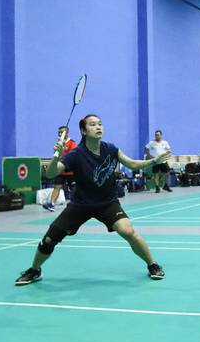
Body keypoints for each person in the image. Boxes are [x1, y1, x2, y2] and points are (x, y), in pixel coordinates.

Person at [15, 114, 167, 285]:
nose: (98, 127)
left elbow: (132, 164)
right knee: (50, 238)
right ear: (83, 130)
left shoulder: (110, 149)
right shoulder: (76, 154)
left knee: (128, 231)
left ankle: (152, 264)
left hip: (107, 202)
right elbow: (50, 173)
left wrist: (154, 161)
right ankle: (35, 270)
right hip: (81, 204)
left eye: (100, 124)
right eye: (93, 124)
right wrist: (57, 155)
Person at [43, 126, 76, 212]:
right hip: (60, 170)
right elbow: (56, 155)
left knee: (73, 188)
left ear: (66, 133)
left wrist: (63, 150)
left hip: (70, 171)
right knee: (57, 187)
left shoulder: (72, 143)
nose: (60, 134)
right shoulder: (58, 143)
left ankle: (76, 204)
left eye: (61, 132)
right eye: (59, 132)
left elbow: (73, 156)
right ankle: (51, 204)